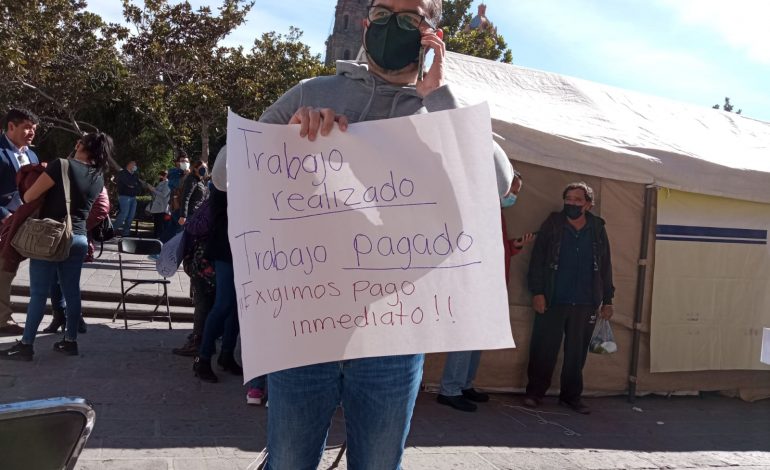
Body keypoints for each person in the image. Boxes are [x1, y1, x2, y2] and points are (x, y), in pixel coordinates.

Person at [249, 1, 513, 467]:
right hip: (306, 326)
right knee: (288, 460)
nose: (392, 24)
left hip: (394, 338)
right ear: (366, 22)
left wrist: (438, 95)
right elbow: (227, 174)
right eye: (383, 11)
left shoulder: (443, 111)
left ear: (432, 33)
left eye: (409, 17)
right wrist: (284, 139)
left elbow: (497, 183)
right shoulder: (312, 92)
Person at [0, 132, 110, 361]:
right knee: (72, 291)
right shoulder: (98, 176)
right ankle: (70, 341)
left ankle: (26, 345)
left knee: (39, 293)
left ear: (80, 145)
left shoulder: (61, 165)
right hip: (79, 238)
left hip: (50, 237)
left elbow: (29, 196)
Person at [437, 169, 534, 412]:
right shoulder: (476, 210)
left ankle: (465, 384)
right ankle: (450, 389)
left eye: (516, 192)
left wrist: (513, 246)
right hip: (473, 284)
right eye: (512, 190)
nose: (513, 195)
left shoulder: (494, 213)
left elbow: (494, 249)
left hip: (489, 284)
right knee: (466, 337)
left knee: (478, 337)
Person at [523, 181, 615, 415]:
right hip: (554, 298)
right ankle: (534, 393)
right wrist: (538, 292)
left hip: (585, 301)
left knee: (577, 353)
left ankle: (571, 397)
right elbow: (538, 260)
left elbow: (605, 265)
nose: (572, 203)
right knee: (544, 349)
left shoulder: (596, 228)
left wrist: (608, 299)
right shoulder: (553, 224)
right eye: (569, 198)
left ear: (588, 204)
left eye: (577, 199)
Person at [0, 108, 40, 336]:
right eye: (26, 127)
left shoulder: (33, 155)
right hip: (3, 221)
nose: (31, 132)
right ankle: (2, 321)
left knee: (8, 270)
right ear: (11, 127)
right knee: (3, 270)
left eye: (33, 128)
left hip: (23, 224)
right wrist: (3, 214)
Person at [114, 160, 140, 237]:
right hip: (124, 197)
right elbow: (129, 183)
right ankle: (111, 230)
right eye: (134, 164)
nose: (135, 166)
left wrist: (134, 185)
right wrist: (133, 184)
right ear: (129, 165)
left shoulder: (135, 175)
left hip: (133, 197)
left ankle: (125, 233)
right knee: (123, 215)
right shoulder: (122, 173)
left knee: (131, 216)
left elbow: (138, 185)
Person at [178, 160, 207, 227]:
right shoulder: (191, 180)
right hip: (191, 214)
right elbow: (186, 197)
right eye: (202, 167)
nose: (204, 170)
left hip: (199, 213)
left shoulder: (201, 181)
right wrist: (183, 216)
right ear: (195, 169)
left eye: (205, 168)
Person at [148, 170, 170, 239]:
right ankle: (155, 240)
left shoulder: (167, 183)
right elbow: (155, 194)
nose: (160, 176)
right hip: (157, 207)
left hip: (162, 208)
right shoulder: (161, 183)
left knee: (160, 226)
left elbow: (164, 194)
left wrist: (153, 190)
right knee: (156, 225)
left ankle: (159, 241)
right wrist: (152, 190)